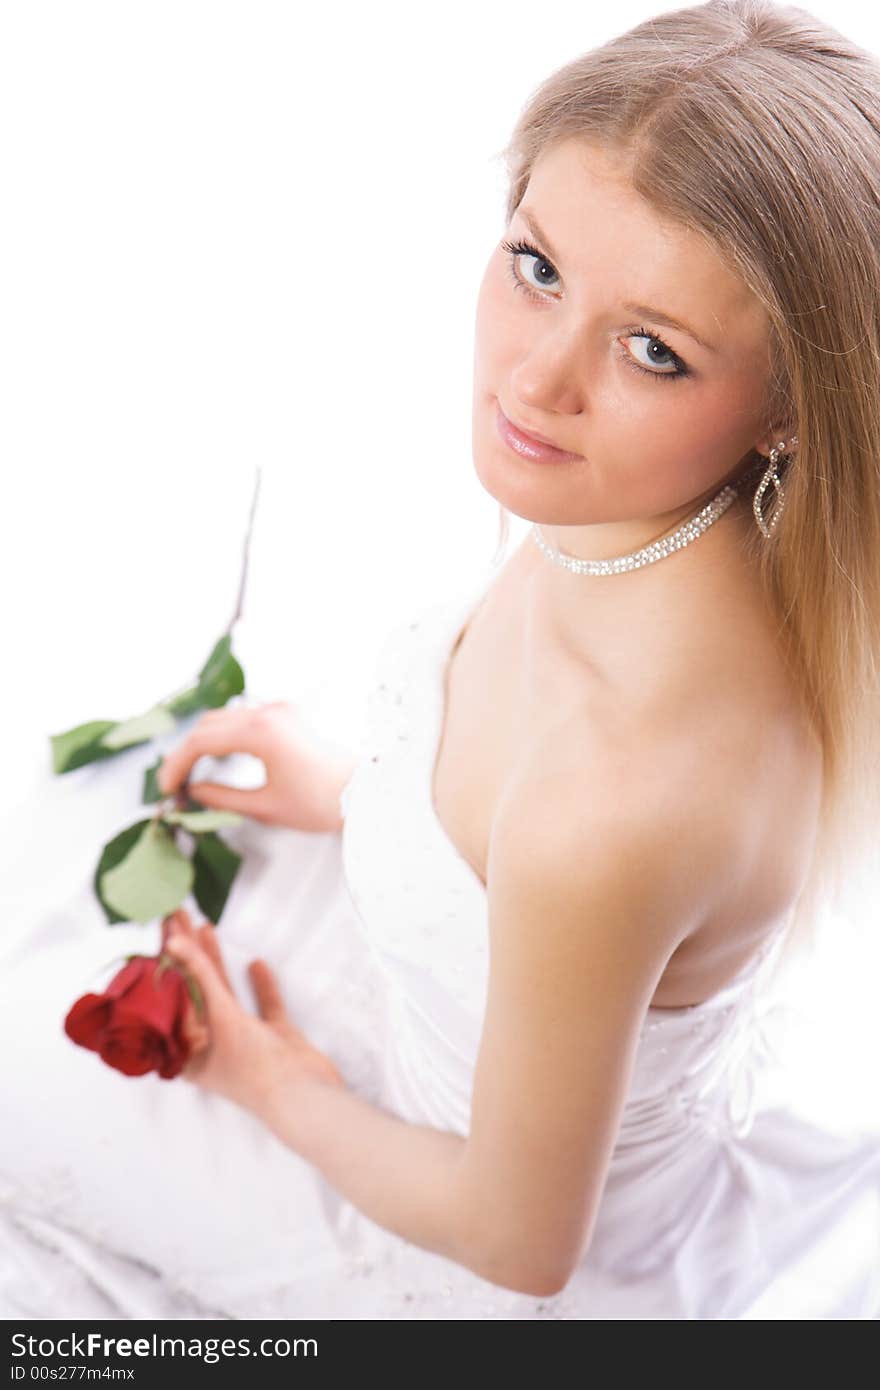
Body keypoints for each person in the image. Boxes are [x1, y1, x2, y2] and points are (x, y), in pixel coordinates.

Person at [2, 0, 880, 1319]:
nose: (537, 381)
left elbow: (519, 1238)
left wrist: (265, 1077)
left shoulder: (618, 795)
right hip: (464, 1011)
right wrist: (369, 795)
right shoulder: (650, 517)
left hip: (449, 1222)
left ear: (790, 413)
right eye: (537, 267)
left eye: (652, 349)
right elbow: (519, 808)